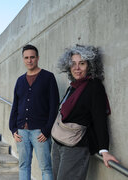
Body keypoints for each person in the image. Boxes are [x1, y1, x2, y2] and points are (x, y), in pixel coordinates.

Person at [51, 44, 119, 180]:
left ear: (90, 65)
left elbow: (99, 118)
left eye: (81, 63)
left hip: (75, 147)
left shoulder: (94, 87)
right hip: (58, 142)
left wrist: (104, 150)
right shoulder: (73, 86)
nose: (77, 68)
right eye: (73, 64)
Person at [9, 44, 60, 180]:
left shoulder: (48, 77)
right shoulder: (20, 80)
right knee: (23, 166)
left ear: (37, 58)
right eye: (26, 58)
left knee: (46, 168)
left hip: (40, 132)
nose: (29, 60)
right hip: (21, 132)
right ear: (23, 59)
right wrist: (13, 129)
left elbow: (54, 106)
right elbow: (15, 106)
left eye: (32, 57)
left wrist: (47, 130)